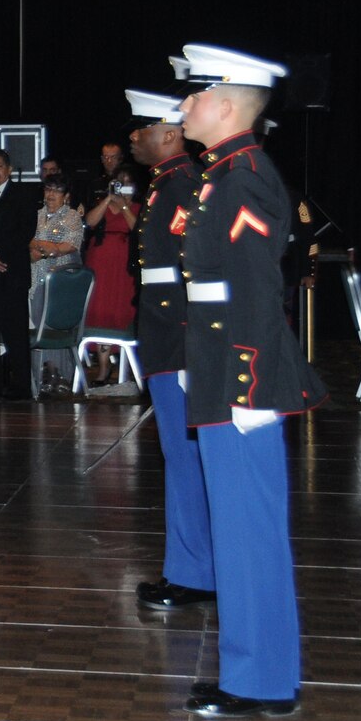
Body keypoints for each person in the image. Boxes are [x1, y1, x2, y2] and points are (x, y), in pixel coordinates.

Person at [170, 44, 327, 719]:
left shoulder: (246, 177)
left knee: (250, 531)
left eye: (196, 93)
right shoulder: (223, 175)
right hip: (218, 371)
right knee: (238, 532)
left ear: (227, 105)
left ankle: (261, 678)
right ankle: (255, 671)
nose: (185, 104)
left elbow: (260, 291)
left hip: (242, 380)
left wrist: (247, 384)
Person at [121, 88, 215, 613]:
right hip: (161, 331)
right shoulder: (164, 184)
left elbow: (191, 269)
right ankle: (189, 567)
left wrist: (187, 343)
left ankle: (194, 573)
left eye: (142, 127)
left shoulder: (182, 184)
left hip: (176, 334)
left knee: (185, 457)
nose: (133, 137)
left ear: (171, 133)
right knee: (179, 457)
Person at [0, 149, 40, 400]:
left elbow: (25, 231)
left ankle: (21, 388)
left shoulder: (24, 195)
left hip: (12, 274)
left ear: (9, 169)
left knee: (15, 334)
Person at [82, 162, 141, 388]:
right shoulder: (104, 204)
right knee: (100, 310)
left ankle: (122, 363)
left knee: (120, 309)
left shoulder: (137, 206)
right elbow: (89, 222)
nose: (123, 187)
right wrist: (108, 199)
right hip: (100, 262)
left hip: (124, 265)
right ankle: (104, 366)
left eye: (128, 183)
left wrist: (124, 206)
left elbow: (137, 228)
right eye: (120, 183)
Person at [27, 175, 85, 379]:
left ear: (66, 196)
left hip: (61, 280)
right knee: (36, 320)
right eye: (48, 189)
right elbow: (27, 240)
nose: (50, 194)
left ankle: (57, 373)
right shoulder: (35, 215)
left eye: (56, 190)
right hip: (36, 277)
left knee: (54, 322)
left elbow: (68, 246)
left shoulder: (71, 217)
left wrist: (42, 249)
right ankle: (40, 376)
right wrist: (48, 247)